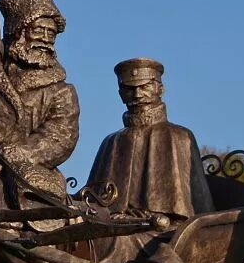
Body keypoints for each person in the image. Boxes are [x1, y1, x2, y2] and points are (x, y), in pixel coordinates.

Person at [0, 0, 80, 222]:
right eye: (39, 31)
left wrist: (18, 153)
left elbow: (61, 136)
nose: (46, 39)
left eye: (51, 33)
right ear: (18, 32)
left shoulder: (62, 91)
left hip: (25, 171)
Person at [85, 58, 213, 220]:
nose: (137, 95)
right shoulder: (111, 142)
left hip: (163, 232)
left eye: (144, 87)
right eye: (130, 89)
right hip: (112, 226)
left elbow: (199, 209)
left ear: (160, 89)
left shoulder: (179, 136)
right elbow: (91, 201)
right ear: (120, 94)